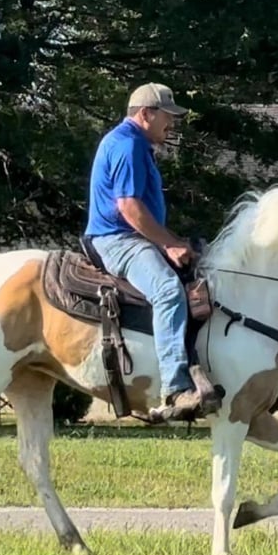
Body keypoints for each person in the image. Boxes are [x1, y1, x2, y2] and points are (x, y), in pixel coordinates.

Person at [83, 82, 217, 418]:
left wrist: (176, 242)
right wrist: (169, 244)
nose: (171, 124)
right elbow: (128, 207)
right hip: (117, 240)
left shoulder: (134, 144)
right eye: (167, 116)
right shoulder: (128, 146)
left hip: (131, 237)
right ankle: (175, 388)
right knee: (169, 290)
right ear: (145, 114)